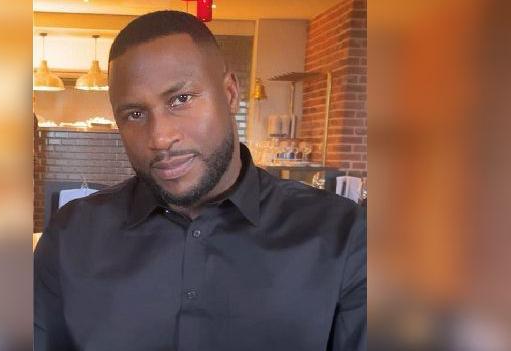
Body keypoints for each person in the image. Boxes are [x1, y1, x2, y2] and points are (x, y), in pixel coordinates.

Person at [34, 10, 366, 351]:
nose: (160, 137)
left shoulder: (342, 235)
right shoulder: (71, 237)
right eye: (135, 114)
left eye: (181, 99)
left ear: (230, 93)